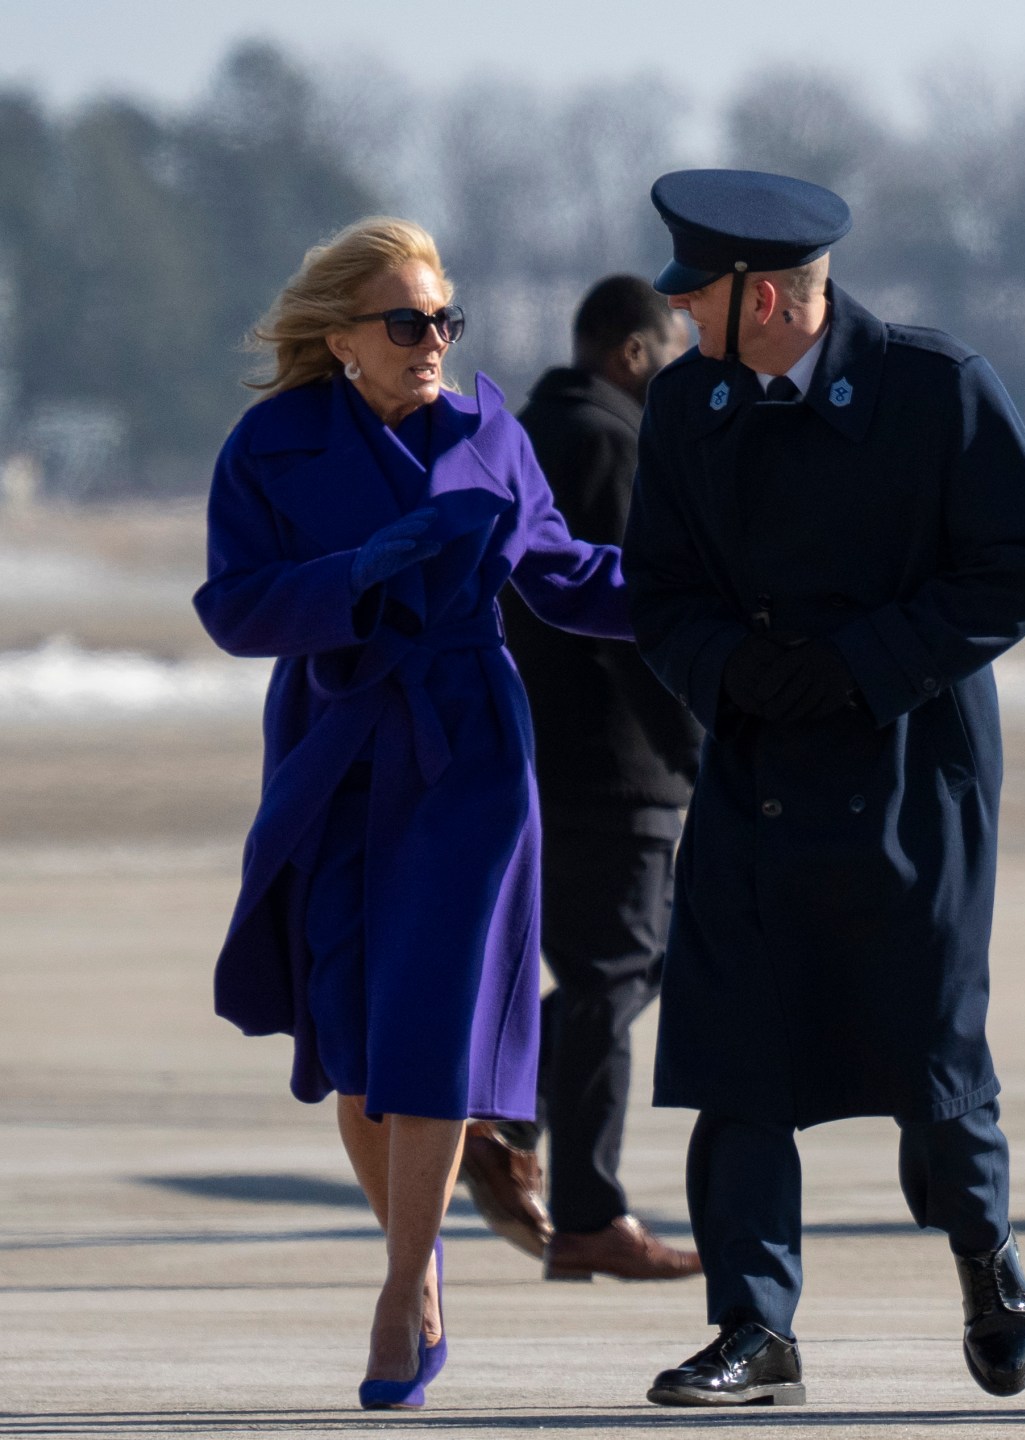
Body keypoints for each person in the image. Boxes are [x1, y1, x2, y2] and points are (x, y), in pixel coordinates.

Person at [621, 169, 1025, 1407]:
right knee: (737, 1053)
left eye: (695, 295)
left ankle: (985, 1256)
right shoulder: (686, 403)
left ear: (762, 298)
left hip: (910, 773)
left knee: (926, 1053)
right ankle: (755, 1329)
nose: (678, 317)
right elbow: (655, 590)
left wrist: (861, 668)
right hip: (756, 766)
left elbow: (1016, 568)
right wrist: (738, 670)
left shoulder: (938, 388)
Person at [193, 217, 632, 1409]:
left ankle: (401, 1287)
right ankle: (422, 1246)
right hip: (334, 744)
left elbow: (562, 572)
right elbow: (232, 609)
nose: (433, 339)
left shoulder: (493, 432)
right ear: (341, 338)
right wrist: (355, 575)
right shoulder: (269, 448)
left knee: (431, 1022)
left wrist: (706, 611)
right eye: (407, 322)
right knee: (353, 1035)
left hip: (468, 756)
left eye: (446, 319)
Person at [462, 276, 703, 1284]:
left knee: (620, 971)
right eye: (674, 349)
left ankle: (500, 1111)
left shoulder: (528, 434)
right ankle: (588, 1207)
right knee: (616, 975)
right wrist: (698, 743)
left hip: (536, 756)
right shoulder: (608, 443)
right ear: (632, 352)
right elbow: (628, 623)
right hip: (614, 762)